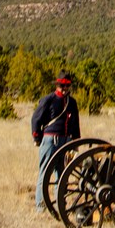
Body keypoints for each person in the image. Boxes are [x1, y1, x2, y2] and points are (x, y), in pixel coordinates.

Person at [30, 72, 81, 210]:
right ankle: (41, 206)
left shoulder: (72, 102)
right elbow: (36, 119)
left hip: (66, 141)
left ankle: (60, 205)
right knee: (45, 173)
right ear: (57, 85)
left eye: (67, 85)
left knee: (62, 174)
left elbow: (75, 124)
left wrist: (75, 142)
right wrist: (36, 137)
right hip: (50, 140)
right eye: (62, 85)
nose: (64, 88)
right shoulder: (49, 100)